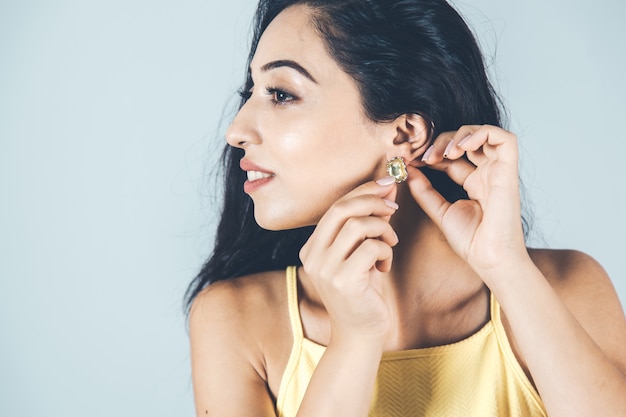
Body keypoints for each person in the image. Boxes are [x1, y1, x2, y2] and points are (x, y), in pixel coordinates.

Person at [185, 0, 626, 415]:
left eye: (281, 94)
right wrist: (354, 340)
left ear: (404, 134)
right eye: (252, 90)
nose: (236, 130)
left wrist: (505, 266)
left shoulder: (569, 288)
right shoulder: (234, 321)